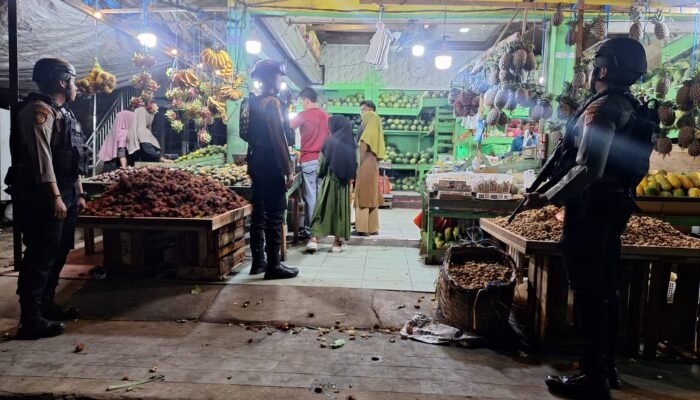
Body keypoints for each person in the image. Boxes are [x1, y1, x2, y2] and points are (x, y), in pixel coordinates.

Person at [523, 38, 651, 400]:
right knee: (606, 288)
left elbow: (588, 167)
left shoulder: (604, 108)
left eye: (596, 63)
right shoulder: (632, 105)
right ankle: (606, 369)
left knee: (590, 292)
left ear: (605, 68)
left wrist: (545, 197)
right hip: (615, 205)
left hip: (591, 207)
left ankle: (593, 377)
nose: (592, 69)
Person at [5, 58, 87, 339]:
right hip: (42, 194)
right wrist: (55, 196)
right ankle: (30, 319)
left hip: (65, 192)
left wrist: (78, 192)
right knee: (41, 253)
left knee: (60, 249)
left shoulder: (63, 113)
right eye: (73, 81)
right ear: (62, 82)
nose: (76, 87)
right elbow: (43, 160)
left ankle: (47, 306)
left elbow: (72, 158)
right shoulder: (37, 111)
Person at [240, 60, 299, 280]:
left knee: (259, 212)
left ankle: (258, 262)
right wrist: (288, 168)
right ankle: (274, 266)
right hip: (270, 161)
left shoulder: (253, 101)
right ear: (271, 77)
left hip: (256, 160)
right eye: (279, 76)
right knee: (275, 214)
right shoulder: (272, 103)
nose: (280, 79)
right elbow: (278, 139)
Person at [289, 88, 330, 251]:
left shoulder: (304, 115)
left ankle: (312, 234)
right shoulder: (325, 115)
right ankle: (318, 230)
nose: (301, 105)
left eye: (301, 102)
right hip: (324, 160)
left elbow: (287, 127)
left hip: (308, 160)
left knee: (310, 198)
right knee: (320, 197)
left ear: (306, 100)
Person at [309, 115, 357, 252]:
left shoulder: (329, 141)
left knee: (322, 209)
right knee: (340, 212)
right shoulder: (352, 143)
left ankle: (313, 240)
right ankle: (337, 243)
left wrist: (320, 174)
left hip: (329, 181)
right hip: (344, 185)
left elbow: (322, 164)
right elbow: (356, 164)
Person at [353, 100, 385, 237]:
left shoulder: (371, 119)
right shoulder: (376, 122)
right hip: (372, 163)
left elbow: (363, 145)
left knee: (363, 195)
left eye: (364, 110)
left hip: (365, 162)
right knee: (372, 195)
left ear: (371, 109)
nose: (362, 114)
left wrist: (355, 160)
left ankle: (362, 228)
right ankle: (373, 227)